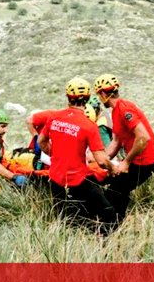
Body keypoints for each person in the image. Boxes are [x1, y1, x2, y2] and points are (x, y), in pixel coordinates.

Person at [37, 78, 117, 233]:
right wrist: (112, 168)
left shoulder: (54, 117)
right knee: (109, 213)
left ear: (68, 98)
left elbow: (41, 141)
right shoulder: (89, 125)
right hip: (77, 181)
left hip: (55, 179)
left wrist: (55, 155)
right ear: (87, 99)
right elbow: (101, 160)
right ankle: (104, 250)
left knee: (66, 218)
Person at [94, 73, 154, 223]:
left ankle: (112, 227)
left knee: (114, 192)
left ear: (104, 94)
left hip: (145, 162)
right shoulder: (116, 111)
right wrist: (101, 158)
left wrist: (126, 162)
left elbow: (143, 137)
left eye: (99, 95)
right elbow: (116, 142)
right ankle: (118, 222)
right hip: (137, 160)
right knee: (118, 188)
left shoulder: (124, 109)